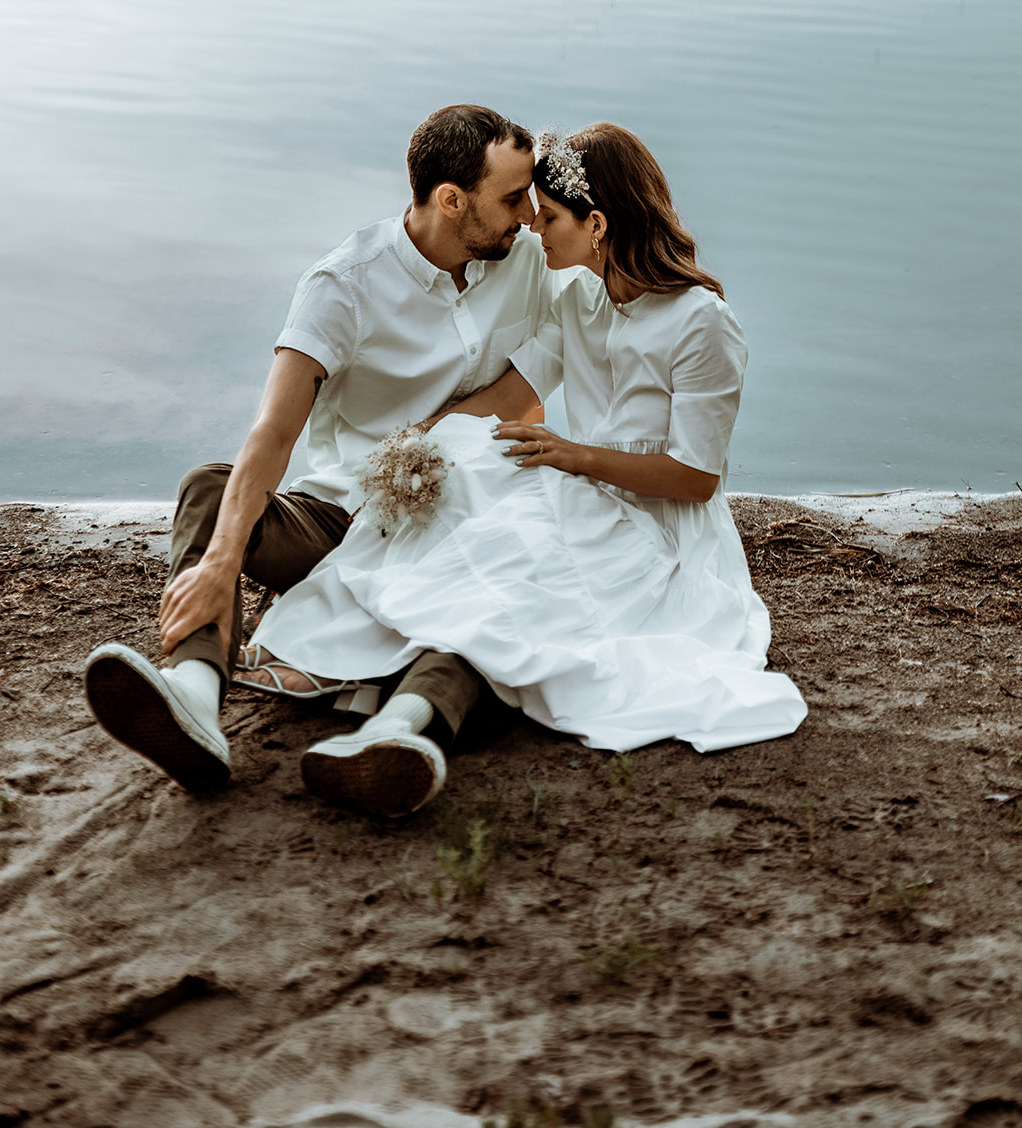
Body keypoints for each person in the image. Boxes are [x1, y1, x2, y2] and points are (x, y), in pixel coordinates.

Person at [246, 124, 807, 814]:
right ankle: (387, 717)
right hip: (593, 499)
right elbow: (510, 397)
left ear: (597, 223)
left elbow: (696, 478)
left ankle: (400, 722)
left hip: (666, 531)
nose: (535, 233)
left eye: (549, 218)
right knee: (480, 493)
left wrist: (572, 456)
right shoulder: (580, 300)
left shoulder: (702, 324)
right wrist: (418, 441)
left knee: (520, 575)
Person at [83, 104, 553, 807]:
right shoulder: (344, 284)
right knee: (209, 487)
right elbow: (273, 433)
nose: (531, 214)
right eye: (513, 197)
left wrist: (435, 431)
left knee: (503, 571)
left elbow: (528, 386)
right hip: (341, 517)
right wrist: (222, 563)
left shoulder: (525, 260)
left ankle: (403, 733)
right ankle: (194, 699)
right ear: (452, 201)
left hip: (464, 518)